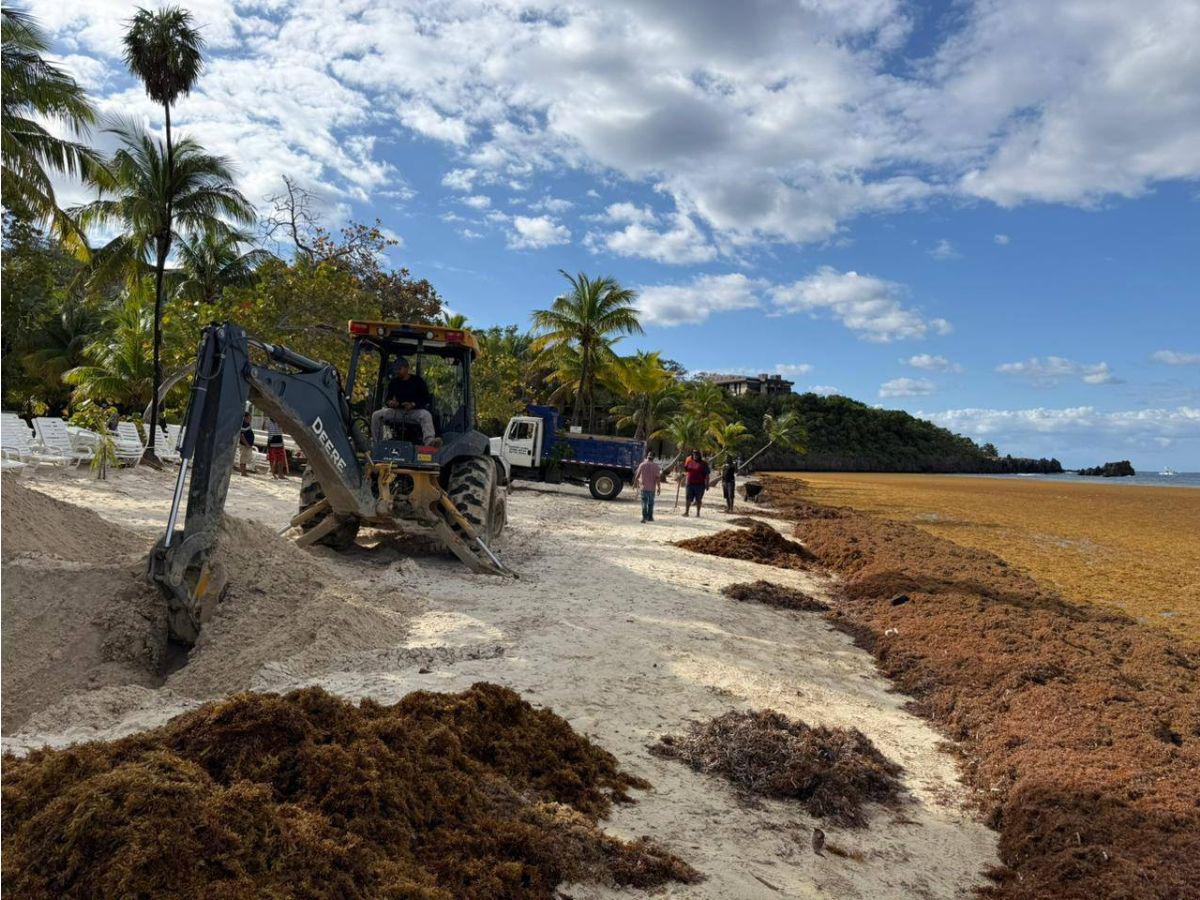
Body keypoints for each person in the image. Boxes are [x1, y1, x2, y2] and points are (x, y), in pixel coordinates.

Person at [370, 357, 436, 445]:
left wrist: (413, 404)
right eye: (396, 369)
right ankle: (377, 443)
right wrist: (391, 403)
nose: (397, 371)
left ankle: (430, 442)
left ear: (406, 368)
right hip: (397, 411)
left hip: (414, 411)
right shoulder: (394, 382)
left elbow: (425, 398)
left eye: (399, 369)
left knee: (426, 415)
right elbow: (387, 399)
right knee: (376, 415)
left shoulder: (418, 381)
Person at [634, 450, 662, 523]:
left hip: (643, 488)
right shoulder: (656, 467)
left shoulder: (642, 465)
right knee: (651, 503)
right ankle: (650, 517)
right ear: (654, 458)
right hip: (652, 488)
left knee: (644, 503)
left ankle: (644, 517)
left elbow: (637, 475)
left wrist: (634, 483)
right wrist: (659, 488)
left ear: (647, 456)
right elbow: (658, 478)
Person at [683, 449, 710, 517]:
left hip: (700, 485)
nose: (695, 455)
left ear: (699, 455)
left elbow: (707, 474)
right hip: (689, 483)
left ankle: (698, 513)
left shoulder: (704, 464)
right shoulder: (689, 461)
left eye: (697, 454)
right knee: (688, 498)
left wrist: (707, 484)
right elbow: (685, 470)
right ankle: (686, 512)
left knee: (698, 499)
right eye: (694, 454)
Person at [238, 412, 256, 476]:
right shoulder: (243, 424)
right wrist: (247, 444)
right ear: (245, 418)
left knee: (245, 459)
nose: (251, 419)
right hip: (244, 445)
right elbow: (241, 436)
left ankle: (244, 472)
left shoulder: (247, 424)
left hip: (247, 445)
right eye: (249, 417)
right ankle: (243, 473)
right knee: (243, 459)